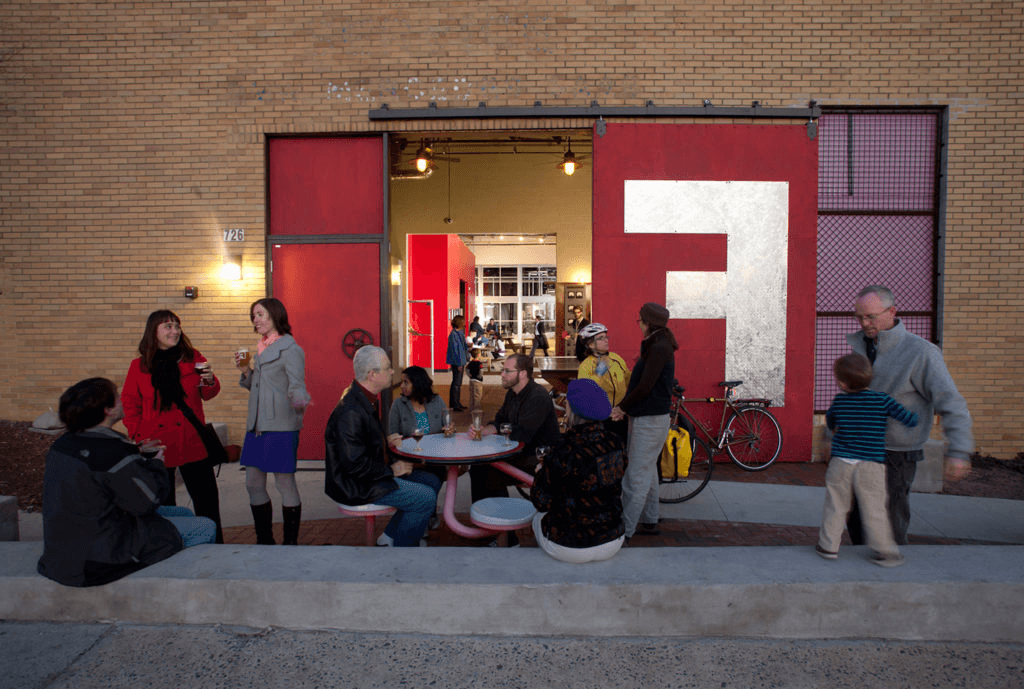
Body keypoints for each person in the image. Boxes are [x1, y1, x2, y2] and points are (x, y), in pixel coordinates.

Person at [38, 378, 216, 587]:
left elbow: (101, 479)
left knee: (183, 513)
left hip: (65, 549)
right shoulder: (111, 452)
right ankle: (181, 588)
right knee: (204, 526)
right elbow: (148, 501)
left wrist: (136, 452)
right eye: (117, 398)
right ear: (108, 410)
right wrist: (157, 464)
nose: (123, 401)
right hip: (97, 561)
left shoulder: (64, 444)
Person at [845, 285, 974, 545]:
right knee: (857, 524)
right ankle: (865, 581)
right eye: (859, 317)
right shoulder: (860, 349)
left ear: (892, 311)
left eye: (870, 316)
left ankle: (891, 581)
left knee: (887, 530)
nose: (864, 323)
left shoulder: (922, 353)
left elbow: (952, 403)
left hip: (896, 456)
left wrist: (959, 451)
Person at [122, 309, 224, 543]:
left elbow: (209, 393)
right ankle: (169, 545)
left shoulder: (193, 357)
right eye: (168, 326)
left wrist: (209, 379)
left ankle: (216, 547)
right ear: (153, 332)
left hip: (191, 440)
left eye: (177, 326)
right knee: (163, 503)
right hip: (157, 444)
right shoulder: (139, 366)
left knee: (207, 501)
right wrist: (137, 435)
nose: (175, 331)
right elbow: (129, 403)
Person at [325, 346, 440, 547]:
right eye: (387, 367)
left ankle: (391, 537)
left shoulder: (364, 399)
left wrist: (383, 442)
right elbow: (354, 465)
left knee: (431, 480)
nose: (392, 372)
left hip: (368, 476)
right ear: (372, 375)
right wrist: (391, 470)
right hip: (357, 485)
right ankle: (402, 553)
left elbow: (358, 445)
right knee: (425, 497)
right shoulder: (351, 410)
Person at [818, 354, 918, 567]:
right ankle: (885, 551)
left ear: (843, 383)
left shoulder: (840, 401)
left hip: (841, 462)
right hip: (871, 464)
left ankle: (828, 546)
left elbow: (830, 421)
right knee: (874, 508)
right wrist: (918, 412)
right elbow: (909, 419)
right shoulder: (882, 400)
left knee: (836, 504)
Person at [236, 298, 311, 545]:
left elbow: (296, 383)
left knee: (284, 482)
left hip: (280, 426)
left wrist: (298, 399)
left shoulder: (290, 349)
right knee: (252, 482)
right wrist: (246, 371)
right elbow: (258, 387)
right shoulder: (261, 349)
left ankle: (290, 544)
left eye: (260, 314)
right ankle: (265, 541)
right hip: (256, 426)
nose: (255, 319)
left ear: (275, 315)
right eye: (253, 315)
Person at [531, 378, 626, 563]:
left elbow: (540, 501)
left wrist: (540, 474)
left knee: (536, 518)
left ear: (571, 410)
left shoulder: (562, 448)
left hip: (570, 545)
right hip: (614, 539)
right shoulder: (616, 441)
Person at [470, 353, 560, 530]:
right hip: (520, 451)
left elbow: (523, 434)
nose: (502, 374)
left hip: (540, 457)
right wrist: (485, 430)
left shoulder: (537, 396)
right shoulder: (512, 393)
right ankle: (486, 523)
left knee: (491, 472)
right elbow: (500, 421)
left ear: (523, 374)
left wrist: (497, 429)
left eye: (506, 371)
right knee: (479, 467)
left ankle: (504, 532)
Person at [610, 302, 677, 541]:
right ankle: (650, 519)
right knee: (647, 472)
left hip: (649, 420)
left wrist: (622, 407)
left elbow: (645, 386)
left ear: (648, 322)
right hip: (650, 418)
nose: (638, 323)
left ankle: (623, 531)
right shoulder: (658, 343)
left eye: (640, 320)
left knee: (634, 478)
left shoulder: (658, 346)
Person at [576, 322, 631, 443]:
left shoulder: (616, 358)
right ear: (590, 344)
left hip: (621, 415)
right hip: (600, 419)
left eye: (606, 336)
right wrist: (599, 374)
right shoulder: (586, 366)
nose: (606, 340)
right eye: (601, 338)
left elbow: (629, 380)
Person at [446, 315, 468, 411]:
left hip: (461, 360)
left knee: (457, 383)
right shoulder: (454, 335)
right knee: (456, 383)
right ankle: (455, 404)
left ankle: (456, 402)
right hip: (458, 362)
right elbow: (455, 350)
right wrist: (459, 363)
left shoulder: (459, 333)